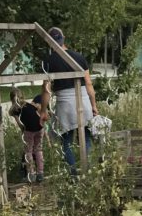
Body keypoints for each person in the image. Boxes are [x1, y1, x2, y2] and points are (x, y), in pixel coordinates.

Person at [41, 27, 99, 174]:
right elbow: (89, 83)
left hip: (65, 105)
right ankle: (88, 172)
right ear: (63, 38)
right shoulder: (79, 57)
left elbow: (46, 89)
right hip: (84, 101)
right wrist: (94, 105)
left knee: (65, 142)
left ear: (50, 43)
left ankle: (73, 174)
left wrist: (43, 110)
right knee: (85, 139)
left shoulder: (49, 61)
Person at [11, 84, 48, 182]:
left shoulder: (16, 109)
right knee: (38, 150)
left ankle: (31, 174)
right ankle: (41, 173)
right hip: (39, 128)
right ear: (23, 96)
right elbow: (38, 112)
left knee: (28, 151)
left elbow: (20, 124)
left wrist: (22, 128)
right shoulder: (30, 104)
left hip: (29, 131)